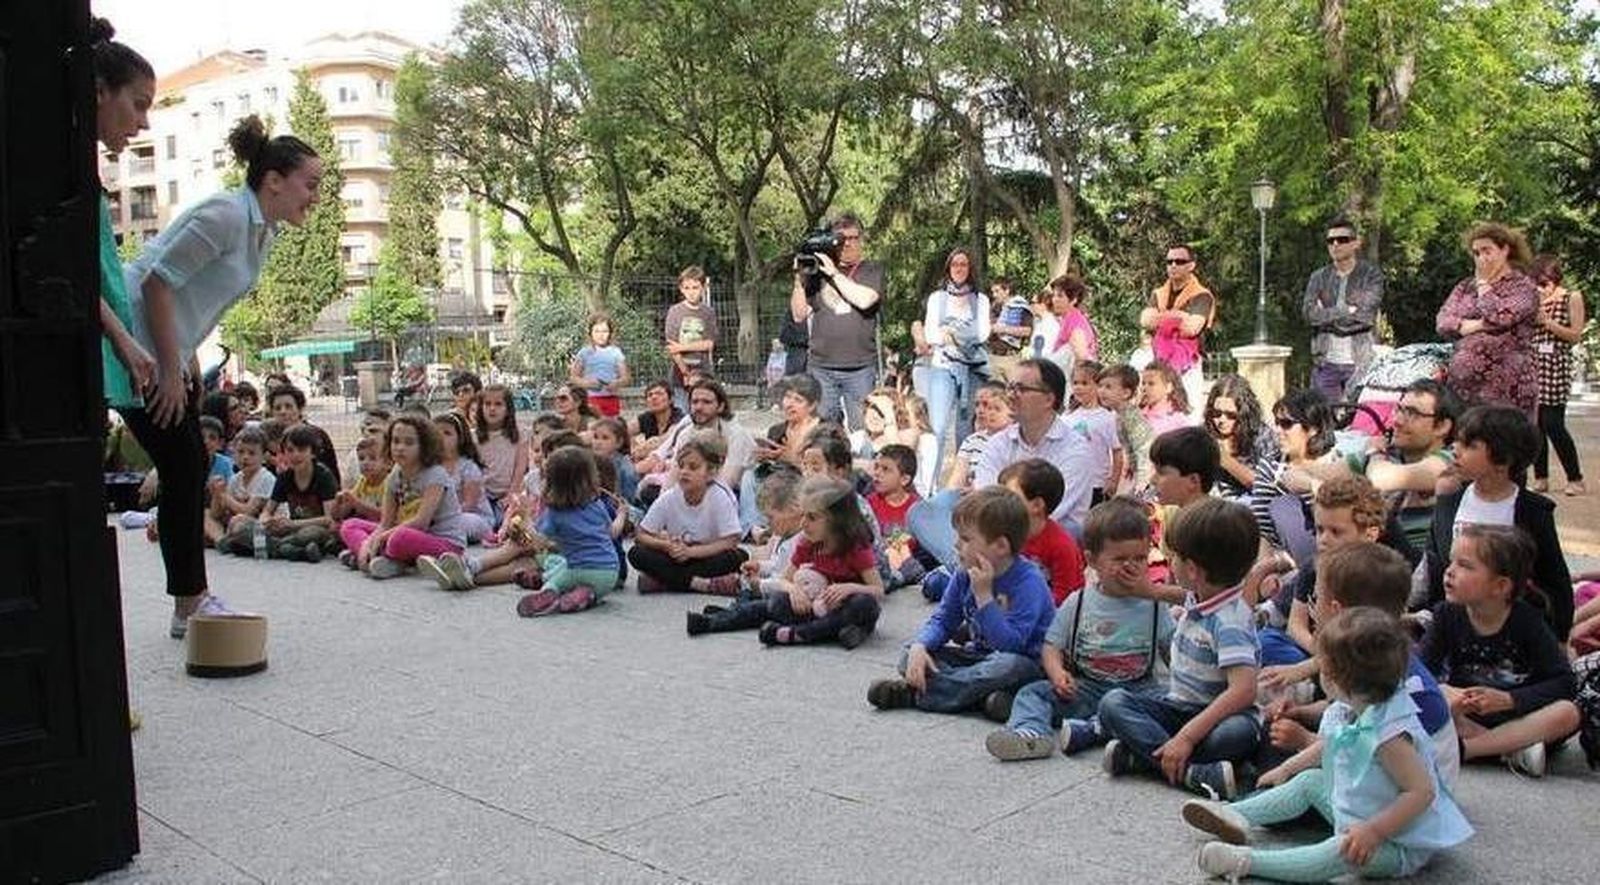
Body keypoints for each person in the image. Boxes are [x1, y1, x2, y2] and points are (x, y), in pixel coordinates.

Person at [115, 107, 322, 637]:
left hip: (165, 349)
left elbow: (194, 298)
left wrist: (185, 355)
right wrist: (164, 363)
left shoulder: (262, 232)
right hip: (132, 349)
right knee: (184, 465)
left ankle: (191, 601)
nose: (315, 196)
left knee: (186, 465)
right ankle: (190, 602)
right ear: (273, 180)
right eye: (310, 183)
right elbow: (155, 283)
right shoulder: (227, 215)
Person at [1184, 608, 1472, 882]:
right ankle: (1236, 814)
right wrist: (1286, 769)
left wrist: (1373, 831)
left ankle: (1247, 862)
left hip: (1396, 843)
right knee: (1311, 780)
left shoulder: (1391, 733)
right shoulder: (1360, 706)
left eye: (1324, 666)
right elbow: (1332, 744)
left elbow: (1422, 792)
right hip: (1359, 810)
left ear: (1338, 679)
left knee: (1341, 850)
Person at [1257, 541, 1461, 788]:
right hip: (1374, 765)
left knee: (1302, 783)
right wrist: (1301, 712)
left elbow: (1364, 746)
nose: (1312, 607)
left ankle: (1249, 804)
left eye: (1316, 599)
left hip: (1404, 795)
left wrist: (1304, 740)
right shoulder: (1375, 656)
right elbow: (1348, 708)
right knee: (1276, 733)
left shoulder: (1387, 678)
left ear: (1336, 610)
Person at [985, 497, 1175, 761]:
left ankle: (1100, 730)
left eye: (1140, 558)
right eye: (1119, 559)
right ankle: (1031, 733)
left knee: (1172, 702)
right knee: (1033, 693)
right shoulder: (1080, 601)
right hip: (1087, 687)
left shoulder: (1154, 605)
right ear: (1092, 560)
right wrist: (1057, 673)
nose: (1131, 566)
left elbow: (1172, 649)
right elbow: (1052, 645)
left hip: (1136, 691)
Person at [1099, 498, 1261, 799]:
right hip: (1179, 706)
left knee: (1235, 736)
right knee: (1113, 703)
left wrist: (1187, 736)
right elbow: (1176, 595)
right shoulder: (1201, 595)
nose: (1168, 561)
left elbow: (1244, 692)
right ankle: (1191, 771)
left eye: (1173, 557)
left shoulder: (1230, 622)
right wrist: (1145, 589)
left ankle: (1148, 757)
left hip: (1221, 718)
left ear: (1192, 569)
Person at [867, 487, 1055, 718]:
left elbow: (1011, 646)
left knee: (1009, 666)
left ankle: (918, 694)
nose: (956, 545)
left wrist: (984, 597)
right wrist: (921, 646)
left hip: (1022, 663)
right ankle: (975, 697)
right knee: (910, 654)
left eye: (965, 539)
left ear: (1001, 546)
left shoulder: (1029, 582)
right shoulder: (965, 572)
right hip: (976, 658)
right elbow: (943, 621)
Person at [1421, 524, 1581, 777]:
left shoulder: (1527, 621)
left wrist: (1509, 700)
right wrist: (1450, 692)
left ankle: (1469, 750)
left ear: (1500, 586)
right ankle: (1512, 751)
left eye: (1465, 566)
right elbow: (1420, 671)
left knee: (1568, 713)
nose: (1449, 572)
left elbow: (1564, 682)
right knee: (1426, 696)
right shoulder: (1446, 614)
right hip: (1467, 717)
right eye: (1452, 562)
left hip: (1519, 719)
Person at [1421, 405, 1573, 639]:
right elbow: (1432, 564)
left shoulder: (1532, 511)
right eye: (1458, 442)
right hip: (1451, 624)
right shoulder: (1449, 504)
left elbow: (1554, 579)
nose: (1456, 450)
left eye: (1470, 446)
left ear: (1503, 461)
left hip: (1510, 627)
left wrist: (1560, 637)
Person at [688, 476, 883, 647]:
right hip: (811, 606)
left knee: (863, 605)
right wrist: (794, 590)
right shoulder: (808, 542)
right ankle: (712, 622)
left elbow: (877, 590)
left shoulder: (855, 547)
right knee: (775, 603)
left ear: (837, 520)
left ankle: (798, 634)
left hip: (842, 609)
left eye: (812, 517)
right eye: (803, 514)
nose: (803, 523)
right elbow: (784, 579)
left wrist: (850, 588)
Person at [483, 445, 627, 615]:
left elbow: (539, 542)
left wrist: (526, 516)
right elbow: (613, 532)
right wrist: (622, 514)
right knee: (559, 564)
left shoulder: (554, 513)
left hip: (577, 570)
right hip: (609, 572)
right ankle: (587, 595)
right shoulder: (597, 505)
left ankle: (549, 591)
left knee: (555, 580)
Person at [338, 415, 473, 579]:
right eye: (395, 441)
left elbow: (421, 522)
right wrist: (368, 543)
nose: (400, 448)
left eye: (409, 443)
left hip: (444, 543)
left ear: (424, 446)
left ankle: (383, 558)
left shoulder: (436, 475)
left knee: (399, 538)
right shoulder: (395, 474)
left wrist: (381, 538)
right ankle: (373, 557)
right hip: (403, 533)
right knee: (349, 525)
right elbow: (385, 522)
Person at [791, 213, 885, 430]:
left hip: (859, 366)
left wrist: (833, 274)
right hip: (821, 366)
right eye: (842, 239)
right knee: (823, 432)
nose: (848, 244)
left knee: (863, 430)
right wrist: (798, 281)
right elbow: (798, 315)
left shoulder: (872, 269)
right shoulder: (817, 271)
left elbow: (865, 300)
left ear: (861, 240)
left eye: (854, 238)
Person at [1435, 222, 1540, 416]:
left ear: (1505, 250)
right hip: (1462, 390)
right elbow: (1442, 321)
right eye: (1476, 253)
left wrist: (1483, 286)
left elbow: (1500, 316)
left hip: (1507, 390)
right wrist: (1468, 326)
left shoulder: (1523, 287)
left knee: (1504, 443)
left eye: (1487, 250)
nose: (1481, 258)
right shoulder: (1465, 286)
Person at [629, 432, 749, 593]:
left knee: (738, 557)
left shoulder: (719, 496)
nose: (684, 472)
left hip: (705, 554)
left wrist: (691, 552)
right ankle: (699, 584)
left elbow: (730, 541)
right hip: (676, 555)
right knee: (637, 553)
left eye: (693, 467)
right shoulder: (670, 497)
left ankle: (665, 581)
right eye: (681, 465)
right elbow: (642, 534)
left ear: (711, 473)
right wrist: (666, 546)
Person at [913, 247, 990, 482]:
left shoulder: (981, 300)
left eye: (963, 264)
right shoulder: (937, 299)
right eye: (955, 264)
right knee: (937, 427)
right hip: (942, 367)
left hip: (973, 368)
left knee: (966, 428)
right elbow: (931, 334)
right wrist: (959, 334)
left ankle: (962, 483)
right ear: (948, 268)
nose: (959, 269)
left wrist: (951, 333)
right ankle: (929, 484)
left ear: (971, 269)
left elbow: (983, 333)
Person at [1302, 218, 1384, 401]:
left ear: (1355, 243)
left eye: (1342, 239)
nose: (1335, 244)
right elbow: (1309, 314)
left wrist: (1325, 316)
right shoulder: (1318, 277)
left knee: (1357, 422)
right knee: (1323, 422)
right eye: (1330, 241)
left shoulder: (1371, 275)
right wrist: (1346, 310)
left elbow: (1365, 317)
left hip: (1359, 363)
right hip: (1325, 364)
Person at [1250, 389, 1337, 563]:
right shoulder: (1271, 466)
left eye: (1286, 424)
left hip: (1338, 549)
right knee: (1281, 508)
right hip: (1286, 560)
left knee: (1284, 507)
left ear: (1313, 428)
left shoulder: (1337, 461)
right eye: (1276, 423)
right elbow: (1263, 532)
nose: (1278, 430)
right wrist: (1263, 574)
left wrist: (1312, 485)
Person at [634, 378, 756, 498]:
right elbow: (675, 473)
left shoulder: (736, 435)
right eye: (695, 402)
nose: (698, 407)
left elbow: (727, 482)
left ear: (721, 406)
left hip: (735, 494)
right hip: (698, 489)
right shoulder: (687, 433)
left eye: (706, 402)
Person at [1529, 254, 1586, 496]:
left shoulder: (1571, 297)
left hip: (1556, 366)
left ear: (1555, 278)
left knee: (1554, 424)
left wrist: (1548, 322)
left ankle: (1575, 478)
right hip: (1533, 366)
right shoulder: (1534, 301)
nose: (1542, 289)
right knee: (1536, 426)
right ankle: (1541, 478)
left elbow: (1575, 335)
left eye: (1545, 283)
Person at [741, 374, 824, 531]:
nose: (789, 405)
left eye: (798, 400)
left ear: (812, 405)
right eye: (787, 397)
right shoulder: (777, 431)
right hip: (779, 480)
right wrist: (764, 458)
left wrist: (791, 458)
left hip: (809, 484)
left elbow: (825, 473)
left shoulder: (825, 431)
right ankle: (754, 529)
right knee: (750, 475)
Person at [1139, 243, 1216, 410]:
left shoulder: (1202, 295)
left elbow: (1192, 328)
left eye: (1180, 261)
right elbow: (1145, 320)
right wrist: (1179, 316)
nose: (1173, 265)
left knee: (1188, 415)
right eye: (1169, 261)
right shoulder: (1158, 293)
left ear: (1191, 265)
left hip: (1188, 367)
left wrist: (1161, 317)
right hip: (1158, 364)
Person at [255, 424, 339, 560]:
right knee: (241, 524)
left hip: (314, 529)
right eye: (290, 450)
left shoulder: (324, 475)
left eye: (301, 450)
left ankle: (278, 548)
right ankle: (295, 551)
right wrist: (266, 521)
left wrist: (293, 525)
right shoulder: (285, 477)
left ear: (313, 452)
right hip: (290, 530)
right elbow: (267, 510)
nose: (295, 455)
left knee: (309, 534)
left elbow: (330, 519)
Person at [1202, 374, 1275, 500]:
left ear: (1243, 414)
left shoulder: (1261, 436)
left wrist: (1226, 460)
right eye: (1216, 413)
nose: (1221, 420)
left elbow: (1266, 487)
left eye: (1230, 415)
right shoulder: (1204, 433)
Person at [203, 426, 273, 546]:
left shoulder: (265, 478)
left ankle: (229, 540)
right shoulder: (236, 478)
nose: (245, 457)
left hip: (263, 525)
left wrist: (224, 496)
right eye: (240, 452)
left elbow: (248, 511)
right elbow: (217, 514)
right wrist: (216, 494)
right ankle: (221, 540)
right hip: (235, 523)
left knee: (238, 522)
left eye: (252, 453)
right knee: (205, 514)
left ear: (264, 457)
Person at [1066, 362, 1122, 507]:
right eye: (1075, 383)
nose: (1078, 387)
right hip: (1073, 482)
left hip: (1097, 484)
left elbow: (1117, 451)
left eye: (1085, 383)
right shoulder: (1068, 417)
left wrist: (1113, 480)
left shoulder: (1108, 418)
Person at [433, 413, 493, 543]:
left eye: (447, 433)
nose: (440, 438)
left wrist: (442, 517)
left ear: (460, 439)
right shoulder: (430, 467)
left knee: (462, 522)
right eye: (435, 433)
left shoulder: (468, 467)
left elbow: (469, 504)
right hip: (438, 518)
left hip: (472, 517)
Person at [665, 266, 717, 412]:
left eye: (695, 287)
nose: (691, 292)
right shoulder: (675, 311)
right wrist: (686, 373)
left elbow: (708, 344)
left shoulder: (708, 312)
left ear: (703, 287)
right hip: (679, 375)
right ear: (681, 289)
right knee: (682, 415)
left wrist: (682, 347)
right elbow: (671, 347)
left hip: (703, 373)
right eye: (687, 288)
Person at [944, 381, 1012, 491]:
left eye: (986, 405)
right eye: (977, 405)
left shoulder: (1013, 441)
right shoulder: (972, 441)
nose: (980, 410)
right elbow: (956, 480)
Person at [1097, 364, 1154, 492]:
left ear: (1126, 393)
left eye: (1108, 387)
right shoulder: (1119, 415)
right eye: (1100, 386)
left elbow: (1144, 450)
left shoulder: (1131, 418)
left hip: (1146, 477)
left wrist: (1140, 486)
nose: (1101, 391)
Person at [474, 385, 526, 520]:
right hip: (482, 495)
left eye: (498, 404)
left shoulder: (520, 434)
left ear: (508, 409)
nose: (492, 408)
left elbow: (520, 468)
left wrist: (511, 493)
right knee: (487, 523)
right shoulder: (473, 437)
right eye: (487, 404)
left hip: (509, 493)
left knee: (508, 521)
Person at [265, 384, 339, 478]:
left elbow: (332, 473)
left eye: (288, 407)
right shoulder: (268, 440)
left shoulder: (318, 436)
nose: (283, 412)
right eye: (278, 408)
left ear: (300, 409)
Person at [570, 312, 630, 418]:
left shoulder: (616, 352)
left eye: (604, 331)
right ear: (590, 333)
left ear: (610, 333)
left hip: (611, 399)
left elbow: (626, 378)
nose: (601, 335)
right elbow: (574, 377)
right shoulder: (584, 352)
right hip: (590, 400)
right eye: (597, 331)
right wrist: (587, 383)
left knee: (611, 429)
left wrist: (616, 383)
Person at [1038, 273, 1099, 371]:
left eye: (1060, 296)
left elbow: (1082, 357)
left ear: (1073, 300)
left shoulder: (1075, 324)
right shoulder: (1067, 319)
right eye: (1054, 295)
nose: (1055, 300)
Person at [330, 435, 387, 524]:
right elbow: (339, 514)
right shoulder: (363, 482)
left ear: (387, 463)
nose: (365, 463)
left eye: (372, 458)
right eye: (361, 458)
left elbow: (385, 516)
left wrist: (356, 503)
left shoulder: (388, 483)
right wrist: (338, 503)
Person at [986, 275, 1033, 382]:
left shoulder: (1020, 307)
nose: (994, 295)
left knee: (1014, 393)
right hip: (993, 356)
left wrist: (1003, 329)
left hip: (1010, 357)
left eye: (997, 291)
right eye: (993, 292)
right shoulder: (995, 307)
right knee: (995, 394)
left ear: (1007, 290)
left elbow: (1027, 331)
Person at [588, 417, 639, 505]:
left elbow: (629, 500)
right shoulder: (587, 461)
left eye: (605, 438)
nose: (598, 442)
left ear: (619, 442)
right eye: (596, 437)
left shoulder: (626, 469)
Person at [1138, 359, 1194, 436]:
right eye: (1143, 383)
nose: (1144, 388)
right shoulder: (1138, 415)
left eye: (1151, 384)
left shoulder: (1179, 423)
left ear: (1168, 387)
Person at [631, 380, 682, 458]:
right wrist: (633, 446)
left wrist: (644, 447)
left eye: (659, 394)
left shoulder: (679, 417)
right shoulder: (646, 417)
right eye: (650, 395)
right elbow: (621, 430)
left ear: (671, 399)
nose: (654, 397)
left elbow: (668, 438)